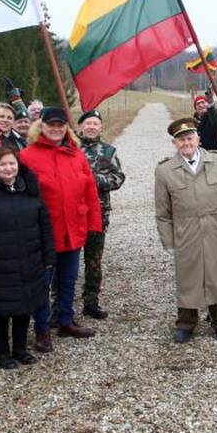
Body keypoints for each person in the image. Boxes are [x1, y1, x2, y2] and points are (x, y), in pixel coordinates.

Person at [19, 106, 102, 349]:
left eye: (60, 125)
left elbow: (90, 191)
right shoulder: (28, 156)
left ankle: (65, 320)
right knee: (43, 282)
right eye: (51, 124)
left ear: (66, 127)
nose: (55, 129)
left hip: (73, 229)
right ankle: (42, 328)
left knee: (68, 279)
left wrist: (93, 224)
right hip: (43, 232)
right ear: (41, 126)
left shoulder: (76, 154)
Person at [0, 147, 54, 369]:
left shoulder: (30, 189)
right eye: (3, 164)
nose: (8, 168)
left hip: (29, 260)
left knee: (25, 308)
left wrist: (48, 255)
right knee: (1, 312)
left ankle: (20, 349)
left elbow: (44, 224)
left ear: (18, 165)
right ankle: (2, 353)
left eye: (12, 163)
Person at [154, 117, 217, 342]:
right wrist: (169, 242)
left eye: (189, 137)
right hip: (186, 232)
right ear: (175, 143)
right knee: (188, 278)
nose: (186, 143)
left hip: (216, 230)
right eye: (181, 140)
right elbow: (163, 212)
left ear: (198, 138)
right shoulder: (165, 171)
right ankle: (186, 323)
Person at [77, 109, 126, 319]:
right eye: (87, 123)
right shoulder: (71, 149)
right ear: (80, 127)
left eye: (95, 124)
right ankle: (59, 304)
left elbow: (118, 178)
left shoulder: (109, 151)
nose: (91, 127)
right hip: (72, 214)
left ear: (100, 127)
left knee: (94, 260)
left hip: (98, 214)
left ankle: (91, 302)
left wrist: (94, 180)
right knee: (65, 262)